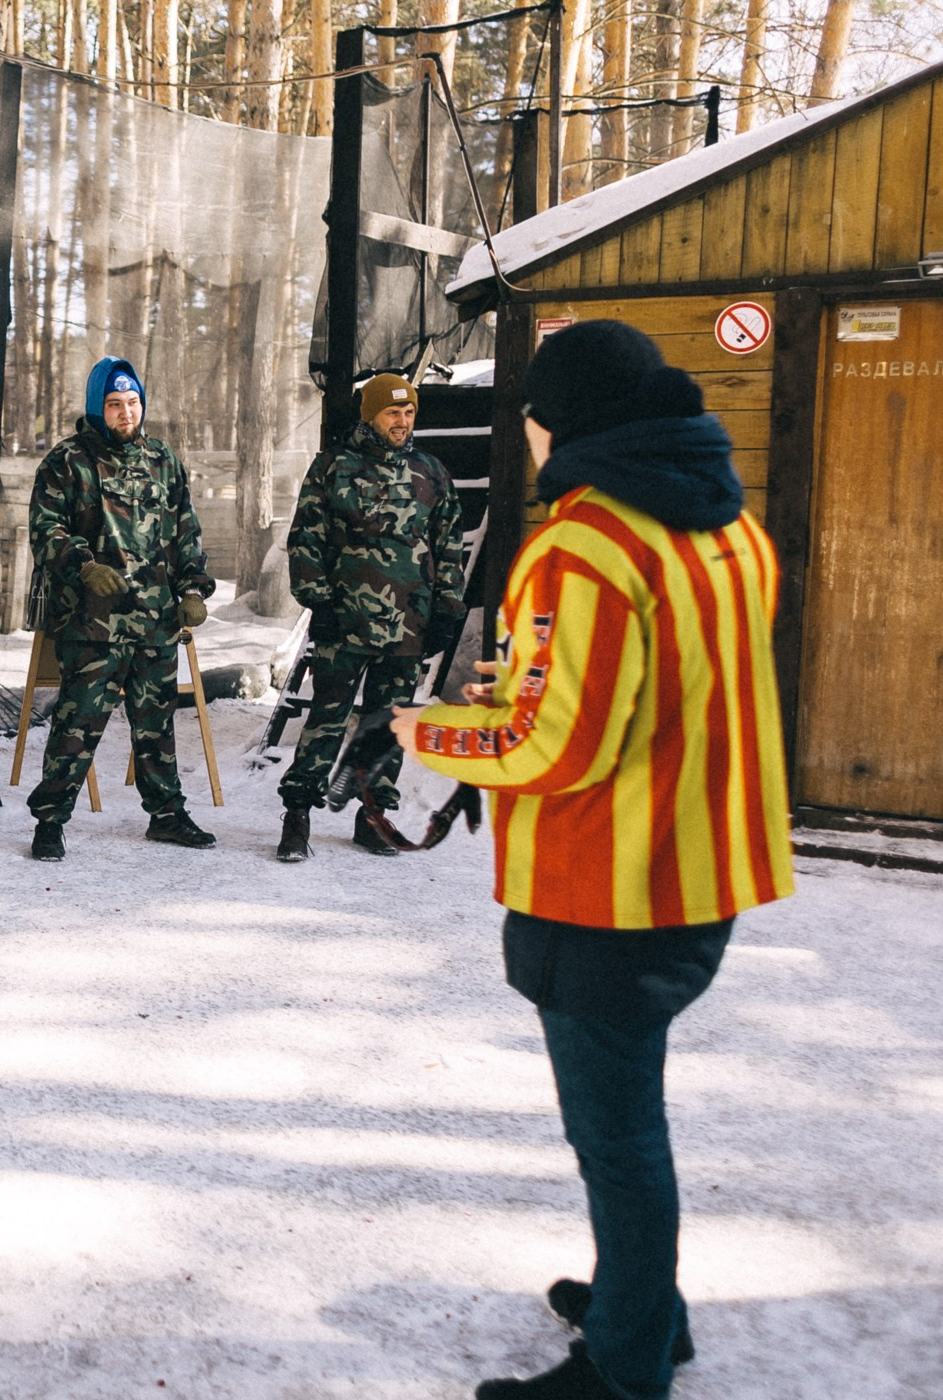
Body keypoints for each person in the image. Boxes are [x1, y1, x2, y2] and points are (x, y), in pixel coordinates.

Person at [390, 321, 794, 1400]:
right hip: (697, 872)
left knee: (617, 1139)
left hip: (607, 888)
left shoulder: (586, 544)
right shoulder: (727, 532)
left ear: (554, 423)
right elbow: (655, 690)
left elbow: (554, 743)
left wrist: (427, 730)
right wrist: (522, 686)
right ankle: (642, 1302)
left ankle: (625, 1362)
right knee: (631, 1121)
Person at [25, 357, 217, 861]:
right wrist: (83, 566)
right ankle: (50, 821)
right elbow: (46, 532)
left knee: (156, 725)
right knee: (78, 723)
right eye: (114, 405)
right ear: (97, 409)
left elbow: (185, 531)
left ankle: (167, 815)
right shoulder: (66, 462)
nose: (126, 413)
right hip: (92, 624)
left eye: (133, 403)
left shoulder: (163, 459)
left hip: (155, 621)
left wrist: (194, 588)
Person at [277, 372, 465, 861]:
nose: (402, 422)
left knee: (390, 724)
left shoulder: (431, 472)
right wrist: (317, 602)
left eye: (408, 413)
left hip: (410, 623)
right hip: (345, 620)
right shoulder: (333, 468)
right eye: (392, 413)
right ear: (370, 416)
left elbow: (449, 547)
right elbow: (306, 541)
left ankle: (373, 816)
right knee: (327, 719)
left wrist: (448, 607)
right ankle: (297, 815)